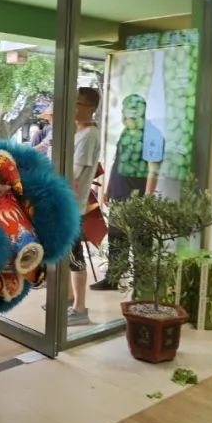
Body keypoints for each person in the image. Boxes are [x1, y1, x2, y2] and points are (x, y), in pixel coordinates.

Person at [92, 94, 161, 291]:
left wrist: (147, 199)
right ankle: (113, 278)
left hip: (137, 198)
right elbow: (117, 161)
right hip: (119, 194)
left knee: (141, 243)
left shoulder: (152, 135)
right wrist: (108, 188)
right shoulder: (126, 133)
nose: (124, 114)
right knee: (116, 238)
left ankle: (142, 284)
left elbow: (153, 169)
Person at [67, 88, 102, 326]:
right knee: (67, 254)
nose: (74, 107)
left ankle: (80, 308)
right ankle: (70, 298)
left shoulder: (89, 135)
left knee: (75, 255)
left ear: (90, 108)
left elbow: (74, 173)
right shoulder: (77, 132)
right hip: (67, 203)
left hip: (73, 206)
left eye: (78, 103)